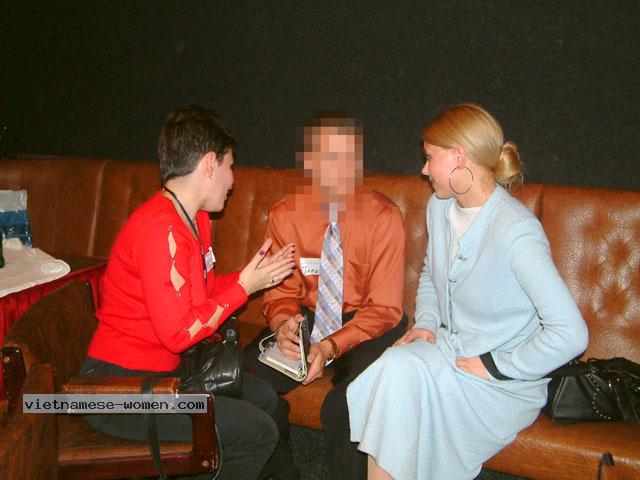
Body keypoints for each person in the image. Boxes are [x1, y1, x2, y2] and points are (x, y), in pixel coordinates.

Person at [346, 103, 589, 480]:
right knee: (394, 368)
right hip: (451, 352)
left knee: (400, 382)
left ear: (459, 156)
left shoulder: (517, 232)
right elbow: (431, 275)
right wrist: (426, 324)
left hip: (503, 384)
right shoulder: (439, 207)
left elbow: (571, 334)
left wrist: (496, 365)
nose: (424, 170)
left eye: (429, 158)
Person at [79, 106, 297, 480]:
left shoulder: (194, 219)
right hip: (120, 391)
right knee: (257, 433)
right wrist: (244, 288)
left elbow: (204, 292)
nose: (233, 180)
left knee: (266, 400)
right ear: (210, 164)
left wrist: (252, 278)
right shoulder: (159, 229)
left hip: (166, 374)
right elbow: (179, 333)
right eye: (230, 166)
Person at [243, 113, 408, 480]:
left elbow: (384, 308)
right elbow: (281, 293)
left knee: (350, 402)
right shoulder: (286, 215)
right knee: (245, 383)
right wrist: (284, 325)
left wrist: (329, 347)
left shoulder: (383, 217)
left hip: (369, 321)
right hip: (309, 314)